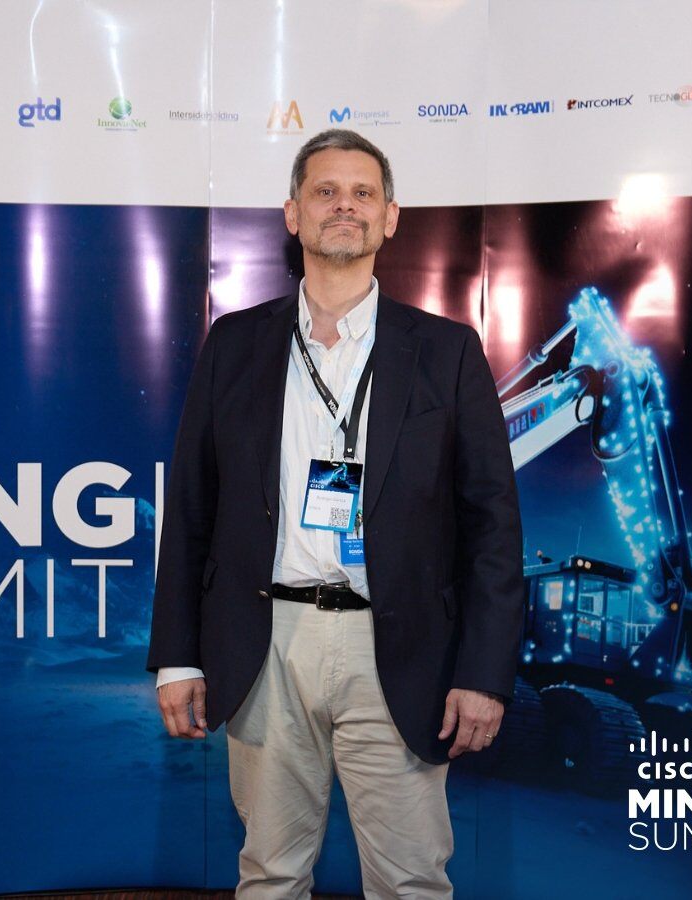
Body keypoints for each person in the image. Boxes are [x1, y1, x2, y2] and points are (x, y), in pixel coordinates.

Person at [147, 129, 525, 898]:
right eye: (324, 192)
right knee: (270, 875)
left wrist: (483, 674)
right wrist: (179, 656)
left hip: (400, 650)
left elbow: (493, 527)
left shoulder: (447, 351)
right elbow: (190, 508)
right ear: (293, 214)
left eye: (362, 193)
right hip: (265, 645)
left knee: (411, 881)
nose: (343, 206)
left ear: (390, 216)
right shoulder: (235, 345)